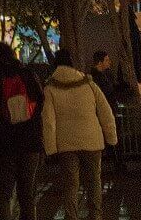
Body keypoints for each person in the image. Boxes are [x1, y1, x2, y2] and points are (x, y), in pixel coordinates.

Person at [42, 49, 117, 220]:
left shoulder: (51, 88)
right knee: (94, 182)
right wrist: (111, 137)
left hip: (66, 144)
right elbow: (105, 112)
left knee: (71, 185)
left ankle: (72, 216)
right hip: (92, 140)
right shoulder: (89, 84)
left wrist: (50, 148)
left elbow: (48, 121)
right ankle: (95, 216)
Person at [0, 42, 44, 220]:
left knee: (2, 195)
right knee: (27, 195)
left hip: (4, 145)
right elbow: (40, 103)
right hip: (30, 143)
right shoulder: (27, 74)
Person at [90, 51, 125, 172]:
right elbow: (108, 92)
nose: (109, 62)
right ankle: (116, 162)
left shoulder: (103, 75)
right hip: (106, 111)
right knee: (112, 136)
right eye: (106, 60)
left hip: (108, 110)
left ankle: (115, 161)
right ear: (100, 63)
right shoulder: (96, 78)